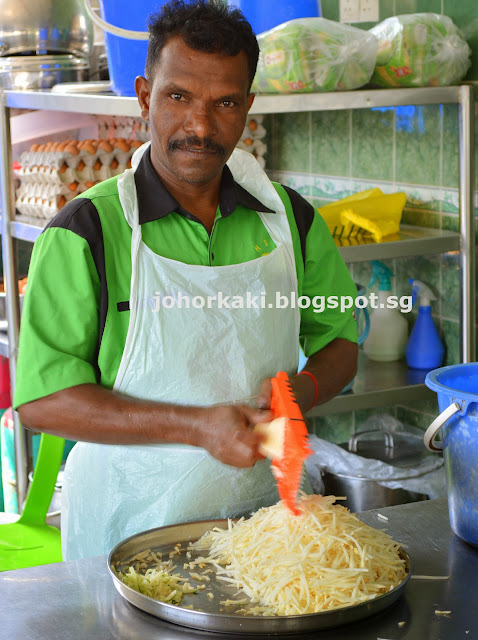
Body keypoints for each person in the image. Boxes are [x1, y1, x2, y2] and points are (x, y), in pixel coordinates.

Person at [14, 0, 358, 560]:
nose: (200, 126)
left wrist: (292, 398)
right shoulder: (87, 233)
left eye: (224, 103)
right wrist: (197, 426)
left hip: (264, 525)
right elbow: (44, 400)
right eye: (179, 97)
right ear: (145, 95)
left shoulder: (290, 222)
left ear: (248, 106)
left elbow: (340, 341)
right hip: (126, 535)